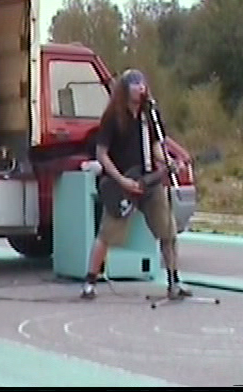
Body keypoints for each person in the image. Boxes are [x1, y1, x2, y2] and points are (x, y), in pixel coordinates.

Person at [81, 69, 192, 300]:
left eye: (142, 83)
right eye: (135, 84)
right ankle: (90, 282)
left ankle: (174, 282)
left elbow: (155, 146)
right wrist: (121, 180)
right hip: (121, 183)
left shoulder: (150, 115)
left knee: (168, 231)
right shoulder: (113, 116)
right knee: (106, 234)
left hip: (149, 181)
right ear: (125, 89)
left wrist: (169, 162)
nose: (140, 87)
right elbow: (102, 154)